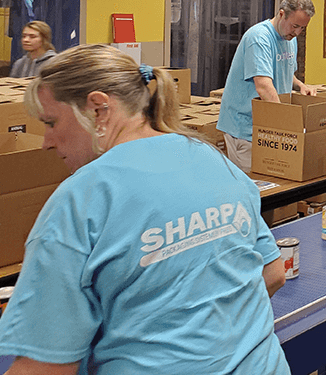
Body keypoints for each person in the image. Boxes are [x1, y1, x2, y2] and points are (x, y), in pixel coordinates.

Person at [0, 45, 289, 374]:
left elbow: (44, 367)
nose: (46, 141)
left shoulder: (81, 199)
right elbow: (272, 273)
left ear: (98, 109)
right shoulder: (212, 158)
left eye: (51, 122)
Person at [217, 0, 317, 172]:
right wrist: (287, 127)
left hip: (269, 127)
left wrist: (301, 85)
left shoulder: (289, 40)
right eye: (295, 26)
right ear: (281, 14)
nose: (297, 33)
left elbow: (284, 71)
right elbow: (263, 86)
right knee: (256, 189)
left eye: (303, 28)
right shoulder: (259, 38)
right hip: (246, 129)